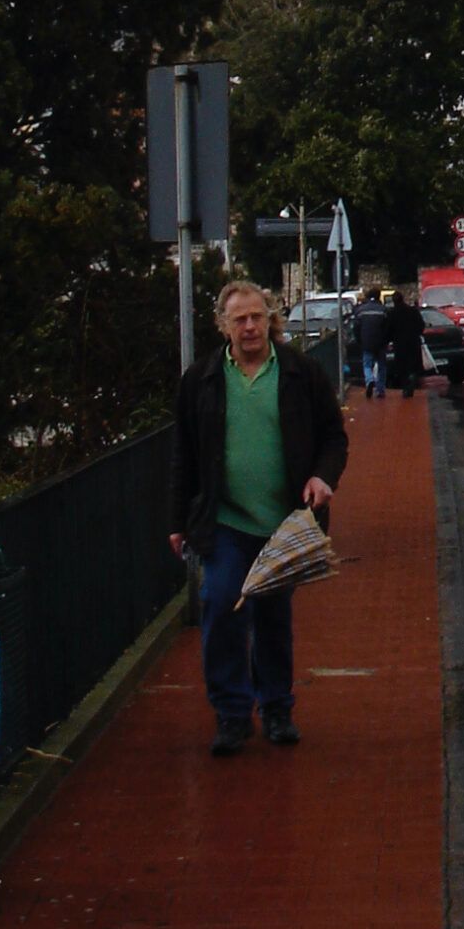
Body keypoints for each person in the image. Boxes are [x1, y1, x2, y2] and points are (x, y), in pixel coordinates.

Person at [170, 281, 347, 756]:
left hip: (283, 523)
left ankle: (276, 708)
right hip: (226, 520)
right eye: (239, 320)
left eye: (257, 317)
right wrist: (176, 520)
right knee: (222, 601)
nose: (249, 327)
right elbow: (184, 453)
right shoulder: (201, 378)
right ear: (223, 326)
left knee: (271, 614)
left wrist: (322, 478)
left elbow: (334, 436)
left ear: (271, 318)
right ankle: (231, 712)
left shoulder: (300, 373)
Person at [385, 284, 426, 398]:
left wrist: (388, 340)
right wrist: (417, 334)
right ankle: (412, 377)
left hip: (399, 343)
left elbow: (388, 329)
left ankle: (405, 387)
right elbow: (421, 325)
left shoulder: (392, 313)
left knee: (402, 366)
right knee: (413, 364)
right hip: (413, 341)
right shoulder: (412, 311)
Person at [352, 284, 391, 399]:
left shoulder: (360, 310)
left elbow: (356, 328)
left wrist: (359, 340)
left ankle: (369, 380)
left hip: (366, 342)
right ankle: (380, 390)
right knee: (382, 366)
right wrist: (386, 340)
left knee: (367, 365)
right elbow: (387, 327)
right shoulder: (384, 310)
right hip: (380, 343)